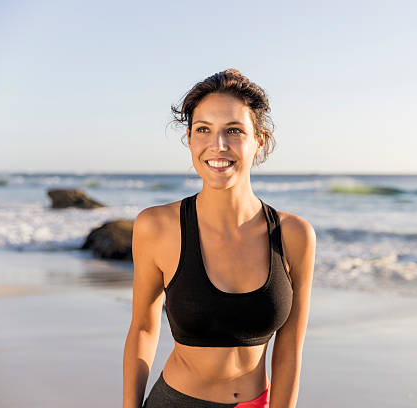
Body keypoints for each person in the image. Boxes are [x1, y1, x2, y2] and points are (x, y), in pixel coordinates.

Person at [123, 68, 316, 408]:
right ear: (190, 138)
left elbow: (289, 349)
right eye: (203, 130)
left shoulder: (294, 235)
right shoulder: (156, 227)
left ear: (260, 140)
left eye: (233, 130)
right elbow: (142, 329)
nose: (218, 145)